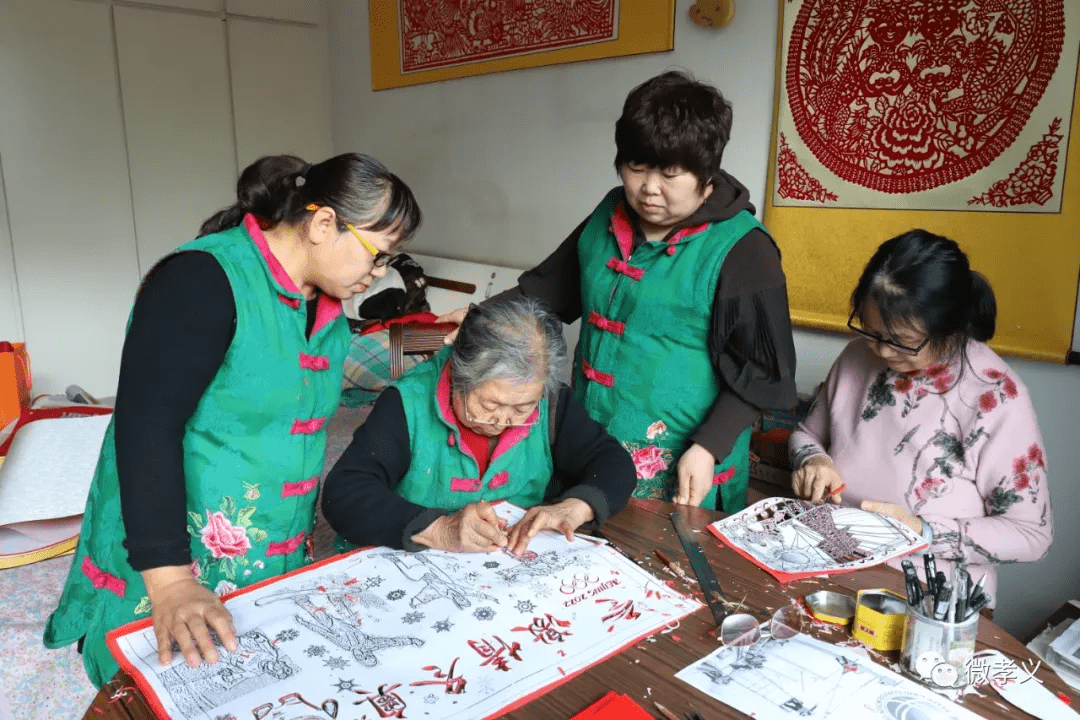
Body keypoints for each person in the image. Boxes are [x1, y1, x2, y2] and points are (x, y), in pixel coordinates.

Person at [43, 153, 422, 687]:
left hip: (266, 550)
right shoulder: (202, 280)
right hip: (172, 558)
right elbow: (146, 428)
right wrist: (171, 582)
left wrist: (437, 335)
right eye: (377, 256)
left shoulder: (325, 304)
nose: (377, 274)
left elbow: (284, 370)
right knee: (158, 684)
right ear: (321, 224)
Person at [441, 70, 797, 512]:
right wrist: (480, 316)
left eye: (669, 173)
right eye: (636, 167)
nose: (648, 188)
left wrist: (709, 447)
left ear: (706, 173)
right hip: (591, 438)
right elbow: (549, 292)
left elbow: (763, 375)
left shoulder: (745, 250)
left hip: (686, 462)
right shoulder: (609, 213)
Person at [788, 229, 1053, 606]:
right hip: (831, 565)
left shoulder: (995, 396)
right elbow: (805, 434)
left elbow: (1031, 535)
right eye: (870, 330)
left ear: (949, 329)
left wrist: (922, 531)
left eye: (899, 340)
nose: (880, 350)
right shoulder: (856, 356)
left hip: (931, 601)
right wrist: (814, 460)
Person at [322, 297, 636, 554]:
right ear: (457, 376)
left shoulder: (551, 401)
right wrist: (438, 529)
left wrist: (576, 508)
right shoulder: (408, 402)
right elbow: (345, 493)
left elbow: (611, 461)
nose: (504, 421)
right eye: (490, 405)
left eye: (522, 408)